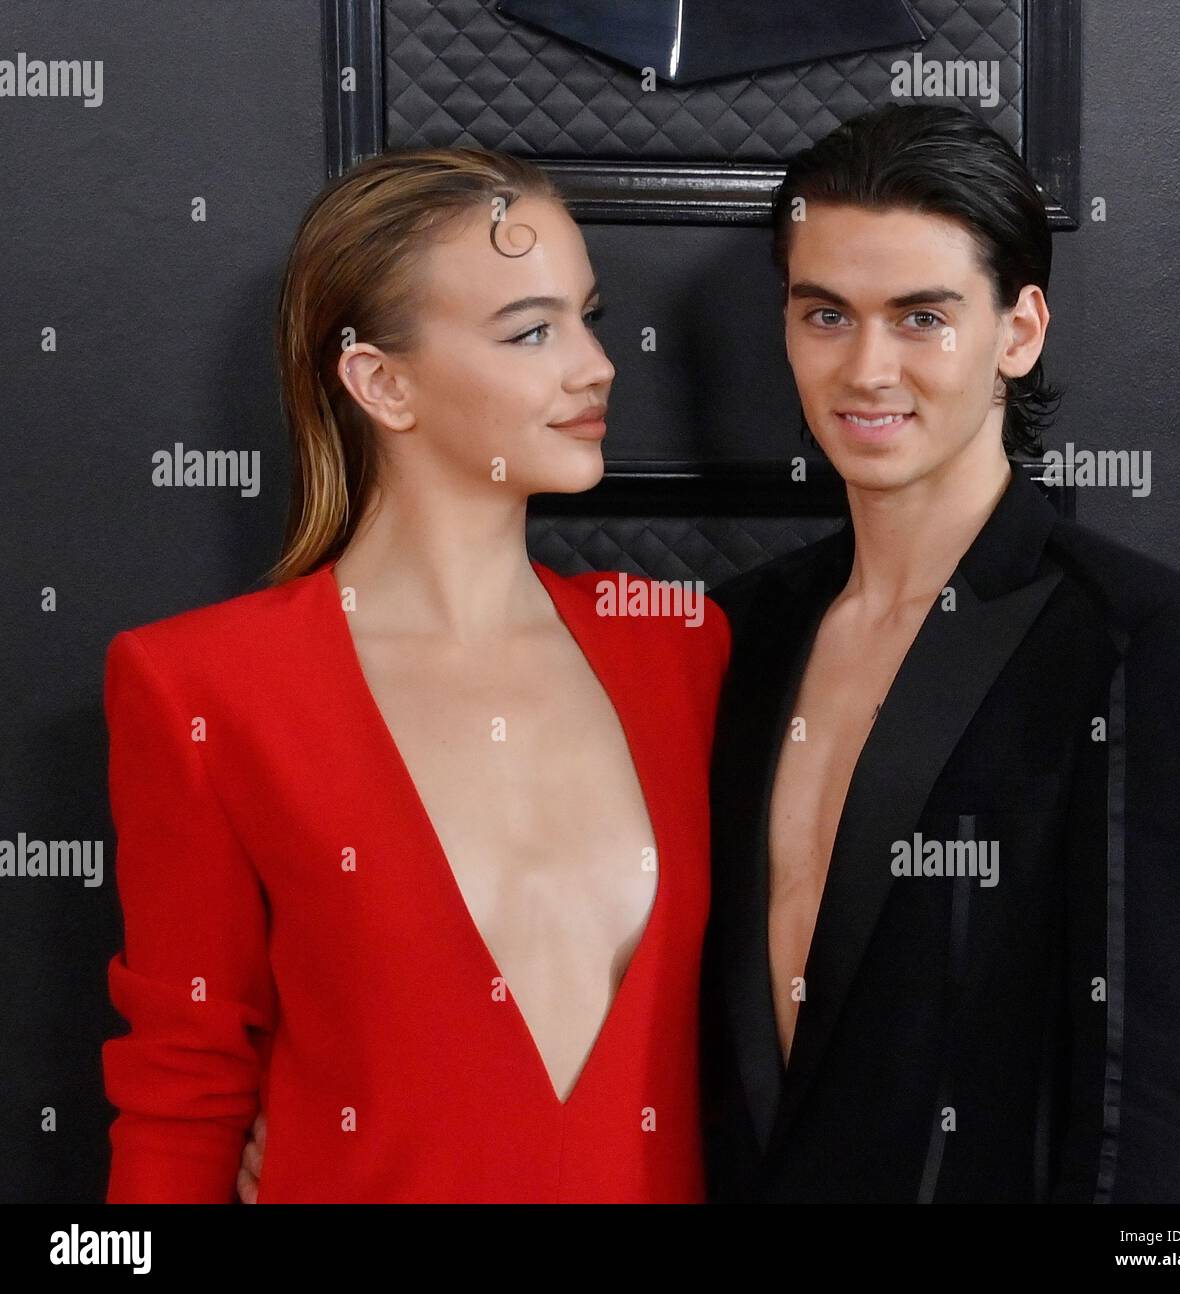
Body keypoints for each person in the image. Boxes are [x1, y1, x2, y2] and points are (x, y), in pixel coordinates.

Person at [101, 148, 729, 1203]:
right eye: (531, 331)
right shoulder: (204, 686)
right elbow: (180, 1094)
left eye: (588, 316)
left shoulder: (678, 643)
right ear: (381, 382)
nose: (594, 365)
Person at [700, 103, 1180, 1203]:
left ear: (1018, 331)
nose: (865, 368)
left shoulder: (1145, 642)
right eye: (825, 314)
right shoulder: (737, 633)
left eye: (921, 317)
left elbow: (1142, 1105)